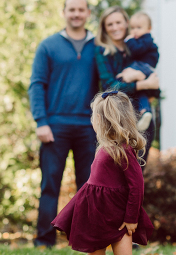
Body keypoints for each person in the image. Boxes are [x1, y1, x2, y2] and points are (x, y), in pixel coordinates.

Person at [28, 0, 99, 248]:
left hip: (88, 128)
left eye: (81, 9)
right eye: (72, 10)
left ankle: (86, 241)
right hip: (54, 126)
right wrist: (41, 121)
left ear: (88, 13)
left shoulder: (98, 46)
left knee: (90, 188)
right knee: (50, 186)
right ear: (64, 12)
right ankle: (44, 241)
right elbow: (37, 85)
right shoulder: (48, 46)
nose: (76, 14)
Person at [51, 90, 154, 254]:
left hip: (119, 217)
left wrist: (131, 219)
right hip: (96, 216)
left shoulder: (123, 150)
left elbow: (137, 186)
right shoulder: (104, 148)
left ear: (98, 120)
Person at [94, 6, 160, 166]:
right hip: (118, 118)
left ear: (126, 24)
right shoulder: (103, 52)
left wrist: (142, 78)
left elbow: (154, 85)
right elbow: (110, 86)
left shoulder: (136, 47)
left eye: (118, 22)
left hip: (143, 114)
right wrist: (141, 83)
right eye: (110, 24)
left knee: (139, 168)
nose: (115, 27)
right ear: (104, 28)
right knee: (120, 169)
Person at [123, 11, 160, 131]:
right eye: (132, 28)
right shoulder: (142, 38)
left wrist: (128, 41)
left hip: (144, 67)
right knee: (141, 92)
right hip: (144, 67)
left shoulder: (146, 39)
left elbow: (137, 50)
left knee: (127, 72)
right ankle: (145, 111)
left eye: (139, 28)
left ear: (149, 29)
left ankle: (127, 74)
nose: (135, 31)